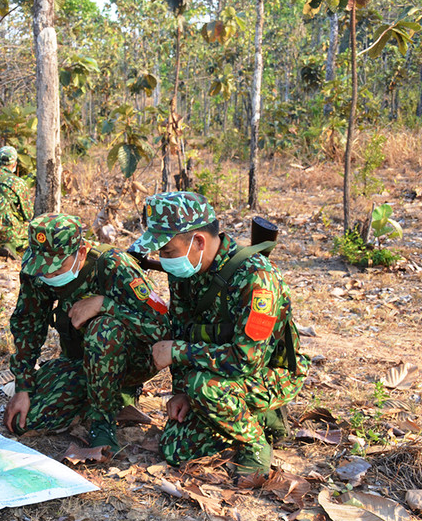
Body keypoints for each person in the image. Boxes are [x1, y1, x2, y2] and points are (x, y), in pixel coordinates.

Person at [129, 191, 309, 477]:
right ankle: (255, 416)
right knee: (175, 449)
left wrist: (177, 353)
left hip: (269, 374)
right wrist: (180, 391)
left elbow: (247, 359)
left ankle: (254, 445)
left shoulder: (256, 278)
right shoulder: (186, 272)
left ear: (199, 241)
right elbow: (183, 329)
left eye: (168, 252)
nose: (163, 260)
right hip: (217, 370)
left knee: (204, 387)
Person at [3, 214, 170, 452]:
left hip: (132, 361)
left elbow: (162, 328)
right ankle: (103, 396)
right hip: (81, 360)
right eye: (42, 268)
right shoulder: (36, 267)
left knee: (103, 328)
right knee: (27, 421)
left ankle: (103, 422)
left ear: (80, 252)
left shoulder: (112, 265)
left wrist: (105, 305)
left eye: (56, 267)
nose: (47, 275)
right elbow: (27, 325)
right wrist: (23, 387)